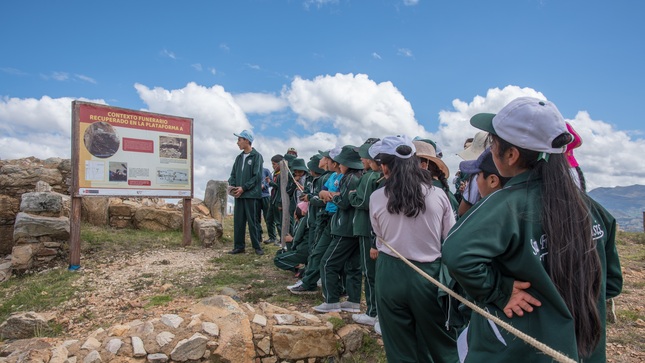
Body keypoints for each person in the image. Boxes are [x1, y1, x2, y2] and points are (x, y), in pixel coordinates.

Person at [443, 97, 623, 362]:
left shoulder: (507, 204)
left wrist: (499, 291)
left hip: (519, 348)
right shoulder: (592, 210)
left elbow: (456, 252)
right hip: (583, 347)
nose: (491, 150)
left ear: (511, 155)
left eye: (493, 144)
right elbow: (611, 282)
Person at [369, 135, 459, 363]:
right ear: (415, 162)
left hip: (390, 272)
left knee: (399, 345)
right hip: (429, 275)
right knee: (441, 341)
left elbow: (380, 237)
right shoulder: (439, 195)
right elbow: (450, 238)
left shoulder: (377, 197)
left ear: (385, 166)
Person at [314, 145, 364, 313]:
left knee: (328, 263)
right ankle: (354, 301)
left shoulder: (348, 178)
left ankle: (331, 300)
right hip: (355, 229)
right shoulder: (360, 176)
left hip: (344, 228)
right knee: (352, 266)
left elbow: (344, 202)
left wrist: (331, 197)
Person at [349, 138, 381, 326]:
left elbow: (363, 202)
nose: (360, 158)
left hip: (366, 227)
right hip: (373, 230)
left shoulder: (369, 177)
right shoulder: (374, 176)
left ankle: (372, 311)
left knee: (369, 273)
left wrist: (352, 194)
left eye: (363, 154)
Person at [228, 129, 265, 255]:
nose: (237, 142)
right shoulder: (238, 158)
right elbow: (233, 174)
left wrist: (244, 188)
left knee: (253, 221)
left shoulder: (257, 156)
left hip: (251, 194)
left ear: (247, 141)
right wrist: (232, 187)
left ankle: (257, 246)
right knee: (238, 221)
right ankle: (239, 246)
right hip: (238, 195)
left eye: (239, 140)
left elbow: (257, 176)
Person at [265, 154, 284, 245]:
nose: (273, 166)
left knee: (278, 221)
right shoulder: (276, 174)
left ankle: (282, 239)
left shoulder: (282, 174)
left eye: (274, 164)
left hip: (278, 200)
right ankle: (272, 237)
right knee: (269, 219)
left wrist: (270, 182)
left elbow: (279, 187)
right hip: (272, 199)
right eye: (272, 164)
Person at [259, 167, 273, 243]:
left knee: (268, 217)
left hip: (265, 196)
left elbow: (270, 181)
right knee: (256, 218)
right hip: (255, 197)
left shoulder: (266, 170)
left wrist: (264, 186)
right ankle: (258, 236)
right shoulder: (250, 170)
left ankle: (272, 236)